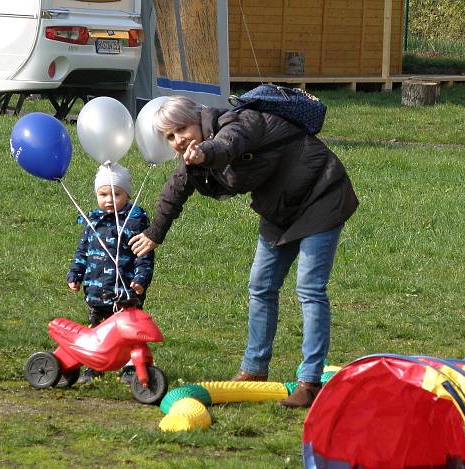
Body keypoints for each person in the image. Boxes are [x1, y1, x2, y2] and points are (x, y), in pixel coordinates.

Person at [128, 95, 358, 408]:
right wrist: (154, 234)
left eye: (181, 128)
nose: (178, 139)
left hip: (322, 193)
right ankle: (253, 370)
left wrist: (205, 154)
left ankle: (310, 381)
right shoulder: (191, 157)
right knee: (260, 285)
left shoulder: (239, 122)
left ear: (198, 117)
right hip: (280, 209)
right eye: (170, 136)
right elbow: (174, 190)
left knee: (309, 289)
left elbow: (228, 145)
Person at [68, 161, 155, 383]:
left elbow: (143, 256)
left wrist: (140, 280)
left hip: (124, 291)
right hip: (97, 290)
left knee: (128, 330)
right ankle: (95, 364)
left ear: (127, 194)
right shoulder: (92, 222)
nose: (109, 200)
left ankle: (130, 366)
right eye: (103, 194)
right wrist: (75, 274)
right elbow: (82, 250)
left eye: (116, 194)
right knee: (97, 329)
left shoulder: (134, 223)